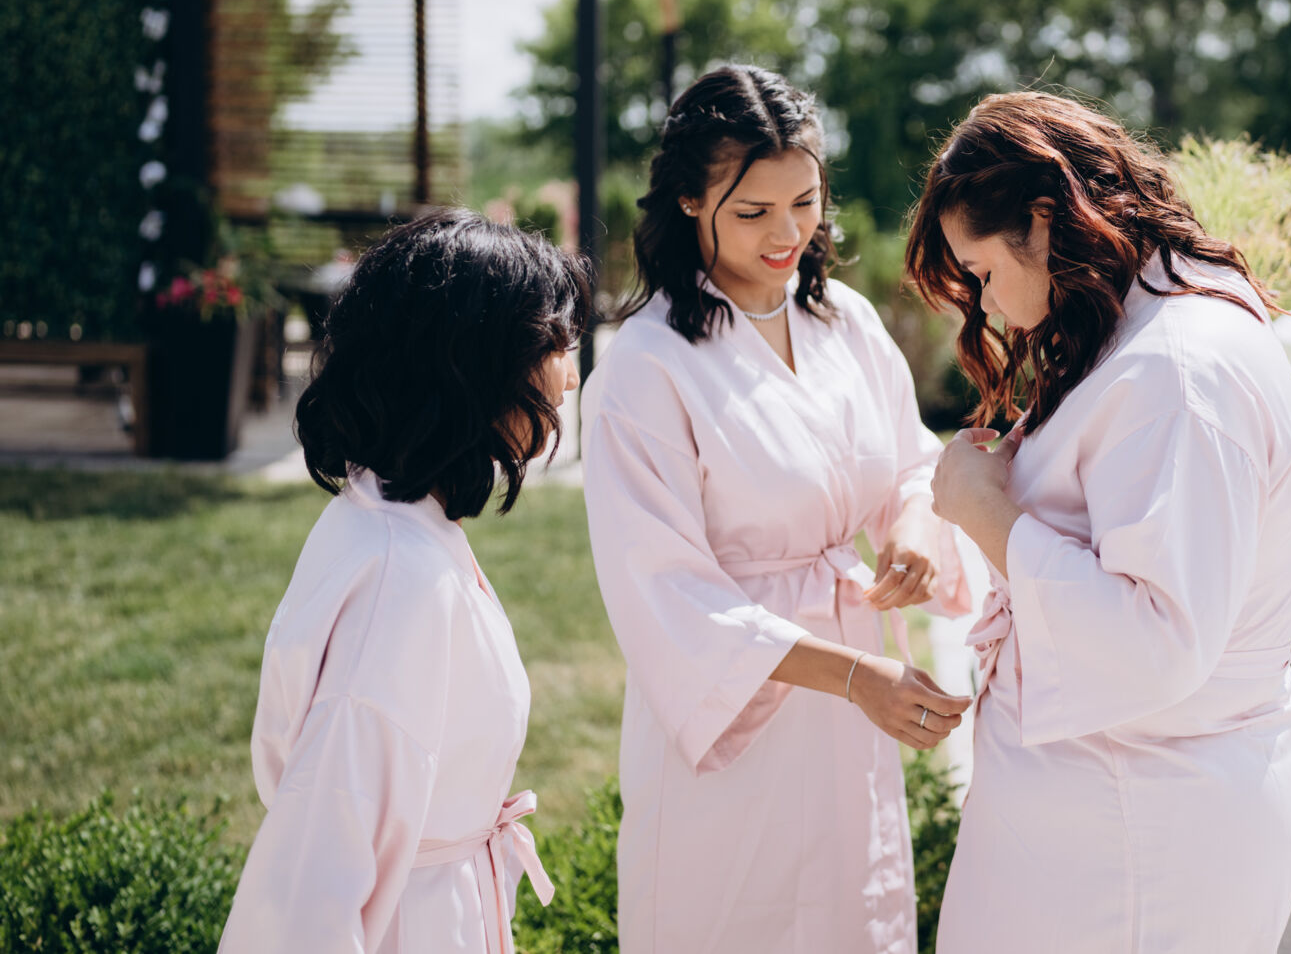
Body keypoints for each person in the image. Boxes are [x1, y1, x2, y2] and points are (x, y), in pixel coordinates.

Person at [904, 91, 1291, 953]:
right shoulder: (1144, 330)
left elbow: (1155, 637)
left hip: (1141, 838)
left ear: (1042, 219)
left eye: (983, 273)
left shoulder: (1178, 371)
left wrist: (988, 512)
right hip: (1110, 815)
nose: (987, 304)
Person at [581, 65, 974, 954]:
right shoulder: (646, 367)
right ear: (690, 200)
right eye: (754, 211)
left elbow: (911, 462)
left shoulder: (847, 323)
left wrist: (913, 524)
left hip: (852, 710)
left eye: (805, 202)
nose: (789, 233)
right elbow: (664, 592)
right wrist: (853, 676)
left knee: (849, 912)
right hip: (738, 712)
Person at [220, 209, 590, 954]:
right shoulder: (401, 584)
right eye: (554, 345)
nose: (571, 375)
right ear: (473, 363)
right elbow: (312, 889)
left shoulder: (392, 521)